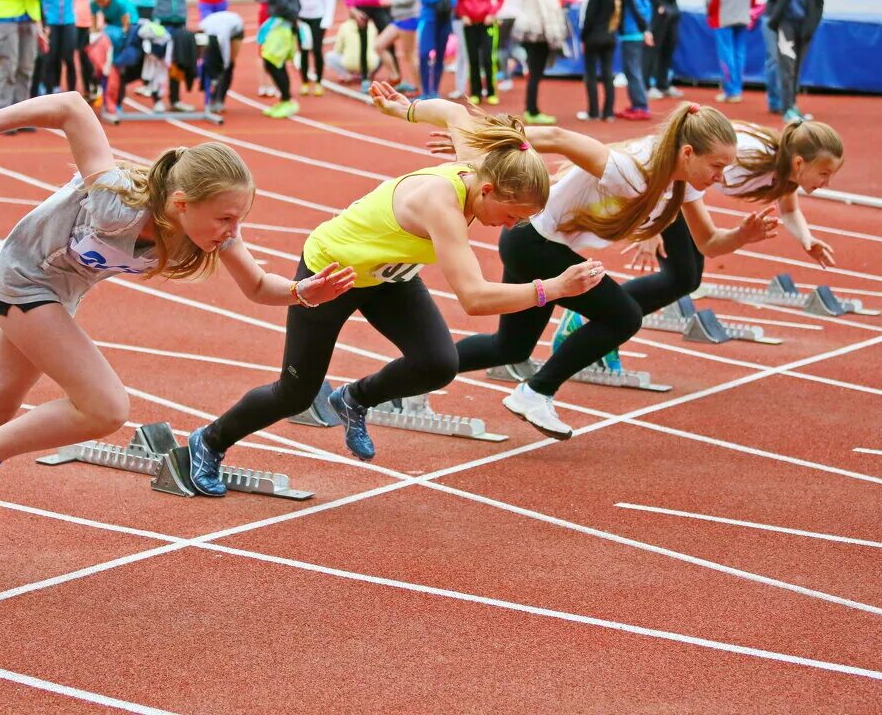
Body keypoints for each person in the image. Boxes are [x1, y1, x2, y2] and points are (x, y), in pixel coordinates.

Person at [0, 91, 357, 542]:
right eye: (226, 218)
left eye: (240, 219)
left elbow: (256, 287)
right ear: (181, 204)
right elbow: (73, 107)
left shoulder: (207, 231)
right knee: (105, 407)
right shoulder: (116, 201)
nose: (233, 231)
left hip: (54, 296)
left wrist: (302, 291)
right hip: (19, 279)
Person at [184, 82, 597, 494]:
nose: (510, 226)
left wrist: (408, 109)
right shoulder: (442, 204)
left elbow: (455, 114)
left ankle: (355, 399)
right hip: (333, 275)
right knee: (294, 393)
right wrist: (553, 288)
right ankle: (209, 441)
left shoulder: (485, 163)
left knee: (438, 363)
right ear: (487, 190)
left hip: (388, 277)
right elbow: (474, 297)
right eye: (511, 215)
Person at [428, 104, 762, 438]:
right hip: (532, 243)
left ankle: (408, 380)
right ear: (688, 153)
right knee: (623, 316)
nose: (721, 177)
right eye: (716, 166)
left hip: (535, 244)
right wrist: (479, 142)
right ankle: (536, 392)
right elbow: (560, 137)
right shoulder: (630, 170)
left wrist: (743, 235)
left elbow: (709, 243)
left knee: (510, 348)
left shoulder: (682, 184)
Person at [620, 120, 844, 323]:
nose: (827, 183)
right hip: (660, 180)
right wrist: (651, 224)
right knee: (681, 278)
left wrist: (807, 239)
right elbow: (671, 155)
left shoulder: (785, 172)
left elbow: (790, 209)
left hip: (681, 190)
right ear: (799, 162)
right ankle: (609, 318)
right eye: (824, 173)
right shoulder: (747, 154)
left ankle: (612, 318)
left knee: (687, 279)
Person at [766, 0, 823, 124]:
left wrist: (812, 25)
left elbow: (818, 1)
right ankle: (786, 107)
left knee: (797, 69)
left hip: (804, 27)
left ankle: (792, 104)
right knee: (786, 67)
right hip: (786, 24)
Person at [147, 0, 201, 113]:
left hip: (179, 20)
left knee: (177, 61)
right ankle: (157, 99)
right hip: (162, 19)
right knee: (159, 60)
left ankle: (175, 99)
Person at [513, 0, 566, 125]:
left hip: (528, 32)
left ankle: (531, 108)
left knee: (533, 73)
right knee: (536, 74)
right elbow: (550, 14)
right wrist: (556, 39)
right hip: (540, 34)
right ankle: (532, 109)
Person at [41, 0, 90, 97]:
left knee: (68, 57)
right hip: (52, 21)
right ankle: (51, 90)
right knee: (51, 57)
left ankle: (71, 93)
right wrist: (45, 14)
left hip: (69, 20)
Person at [256, 0, 300, 119]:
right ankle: (284, 99)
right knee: (272, 62)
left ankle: (287, 100)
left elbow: (285, 4)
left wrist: (289, 17)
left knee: (273, 62)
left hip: (280, 26)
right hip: (283, 25)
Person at [455, 0, 503, 105]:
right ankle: (475, 92)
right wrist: (463, 15)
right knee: (473, 58)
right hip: (470, 24)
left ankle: (491, 91)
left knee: (488, 58)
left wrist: (492, 13)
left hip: (487, 24)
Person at [578, 0, 619, 122]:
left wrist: (583, 36)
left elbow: (590, 15)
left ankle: (593, 112)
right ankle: (608, 112)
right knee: (608, 73)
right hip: (610, 35)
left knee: (591, 74)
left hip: (594, 36)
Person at [375, 0, 420, 95]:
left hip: (408, 18)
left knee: (409, 55)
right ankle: (395, 75)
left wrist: (392, 1)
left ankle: (420, 88)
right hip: (399, 19)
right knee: (379, 45)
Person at [293, 0, 335, 96]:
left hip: (318, 16)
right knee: (303, 49)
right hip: (302, 17)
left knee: (317, 49)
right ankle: (304, 81)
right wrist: (295, 16)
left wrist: (327, 18)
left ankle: (318, 82)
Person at [616, 0, 654, 121]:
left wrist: (644, 29)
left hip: (633, 33)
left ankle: (641, 106)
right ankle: (636, 104)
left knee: (633, 70)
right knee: (630, 71)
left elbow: (637, 7)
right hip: (629, 33)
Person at [416, 0, 456, 101]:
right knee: (424, 53)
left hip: (444, 21)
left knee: (440, 55)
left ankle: (434, 90)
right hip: (429, 19)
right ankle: (425, 90)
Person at [760, 0, 793, 115]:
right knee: (774, 60)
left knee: (785, 60)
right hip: (772, 18)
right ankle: (776, 100)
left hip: (787, 20)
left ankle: (784, 100)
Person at [487, 0, 521, 91]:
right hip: (517, 12)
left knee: (501, 46)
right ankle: (515, 67)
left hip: (501, 13)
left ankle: (506, 76)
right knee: (513, 45)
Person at [198, 8, 243, 114]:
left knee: (228, 64)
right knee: (210, 63)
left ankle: (220, 100)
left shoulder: (222, 34)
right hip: (217, 25)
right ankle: (211, 97)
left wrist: (224, 65)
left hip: (235, 28)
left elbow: (225, 50)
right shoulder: (203, 26)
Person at [325, 16, 380, 83]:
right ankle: (369, 74)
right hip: (370, 64)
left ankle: (346, 75)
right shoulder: (372, 25)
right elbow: (377, 46)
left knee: (329, 56)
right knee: (384, 54)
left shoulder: (345, 26)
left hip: (349, 64)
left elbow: (338, 48)